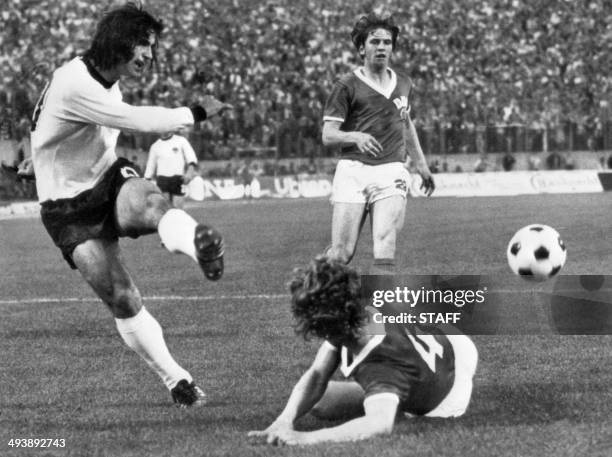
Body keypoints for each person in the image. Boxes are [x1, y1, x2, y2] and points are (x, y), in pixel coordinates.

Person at [26, 3, 232, 407]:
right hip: (65, 208)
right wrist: (197, 110)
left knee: (150, 201)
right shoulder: (75, 81)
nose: (150, 57)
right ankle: (177, 380)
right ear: (120, 42)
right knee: (122, 297)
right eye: (145, 46)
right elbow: (137, 120)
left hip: (105, 177)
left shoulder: (101, 77)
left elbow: (63, 128)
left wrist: (41, 155)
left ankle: (202, 245)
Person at [249, 256, 478, 445]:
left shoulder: (379, 365)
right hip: (451, 343)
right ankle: (388, 397)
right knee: (320, 402)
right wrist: (284, 420)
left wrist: (302, 438)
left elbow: (380, 425)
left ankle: (397, 404)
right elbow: (318, 373)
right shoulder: (357, 307)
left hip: (449, 395)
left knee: (389, 415)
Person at [321, 13, 435, 274]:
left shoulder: (404, 83)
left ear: (392, 47)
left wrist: (422, 166)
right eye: (375, 41)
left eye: (387, 42)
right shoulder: (346, 85)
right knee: (341, 254)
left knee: (385, 244)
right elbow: (328, 134)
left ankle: (379, 314)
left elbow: (406, 124)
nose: (381, 47)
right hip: (353, 170)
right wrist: (355, 136)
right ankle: (312, 290)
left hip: (392, 170)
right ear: (362, 48)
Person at [144, 132, 199, 208]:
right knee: (164, 211)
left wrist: (190, 172)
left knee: (178, 211)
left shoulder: (181, 140)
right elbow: (150, 166)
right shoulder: (155, 146)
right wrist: (147, 180)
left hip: (178, 179)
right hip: (162, 180)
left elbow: (191, 157)